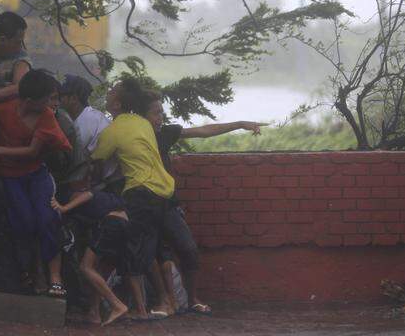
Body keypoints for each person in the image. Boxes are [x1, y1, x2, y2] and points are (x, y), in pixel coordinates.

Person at [140, 89, 267, 315]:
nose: (160, 118)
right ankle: (165, 302)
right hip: (144, 203)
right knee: (157, 253)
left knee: (188, 249)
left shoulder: (165, 134)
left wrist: (240, 124)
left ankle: (192, 299)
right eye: (155, 113)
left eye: (162, 112)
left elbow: (204, 131)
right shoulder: (135, 137)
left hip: (169, 203)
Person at [0, 69, 71, 298]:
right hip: (9, 176)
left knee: (48, 218)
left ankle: (55, 277)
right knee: (24, 223)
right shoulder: (4, 108)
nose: (51, 103)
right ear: (30, 101)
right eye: (47, 98)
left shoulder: (46, 116)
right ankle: (32, 271)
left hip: (36, 174)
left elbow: (32, 151)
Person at [90, 79, 176, 320]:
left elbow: (97, 161)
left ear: (116, 104)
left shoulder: (113, 131)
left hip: (140, 191)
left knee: (133, 250)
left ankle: (143, 307)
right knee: (148, 249)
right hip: (163, 190)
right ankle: (156, 303)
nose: (108, 93)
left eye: (112, 92)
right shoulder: (141, 122)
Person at [51, 190, 129, 326]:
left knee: (85, 267)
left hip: (110, 224)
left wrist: (64, 208)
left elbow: (88, 194)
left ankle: (117, 306)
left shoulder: (85, 195)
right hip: (124, 226)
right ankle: (94, 314)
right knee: (97, 272)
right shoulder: (107, 200)